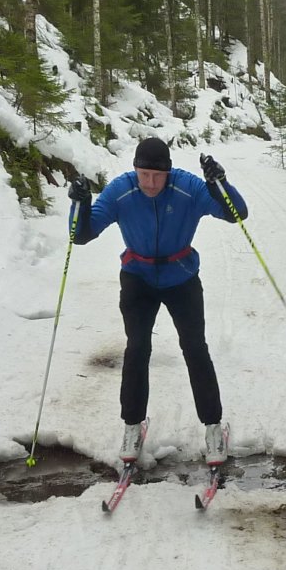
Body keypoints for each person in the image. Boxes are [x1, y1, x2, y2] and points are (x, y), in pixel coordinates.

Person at [69, 136, 248, 466]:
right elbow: (81, 235)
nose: (150, 183)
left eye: (157, 176)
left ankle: (213, 428)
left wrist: (218, 183)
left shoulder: (187, 188)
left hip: (181, 278)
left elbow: (236, 213)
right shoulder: (122, 190)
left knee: (195, 348)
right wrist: (79, 203)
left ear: (168, 172)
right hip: (138, 277)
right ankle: (133, 425)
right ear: (135, 170)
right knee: (137, 349)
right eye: (143, 175)